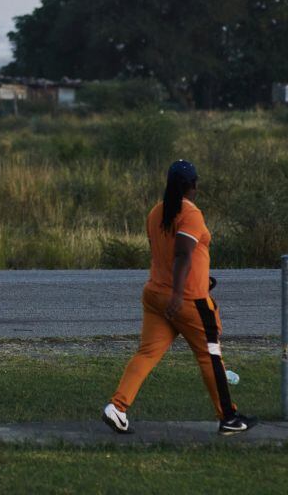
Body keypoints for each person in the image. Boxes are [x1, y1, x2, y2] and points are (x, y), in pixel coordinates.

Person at [101, 159, 257, 436]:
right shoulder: (191, 213)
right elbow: (183, 253)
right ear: (192, 185)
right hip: (187, 300)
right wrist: (178, 292)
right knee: (210, 356)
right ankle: (229, 417)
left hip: (155, 295)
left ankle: (117, 407)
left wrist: (199, 278)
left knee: (147, 353)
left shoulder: (156, 212)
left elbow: (165, 254)